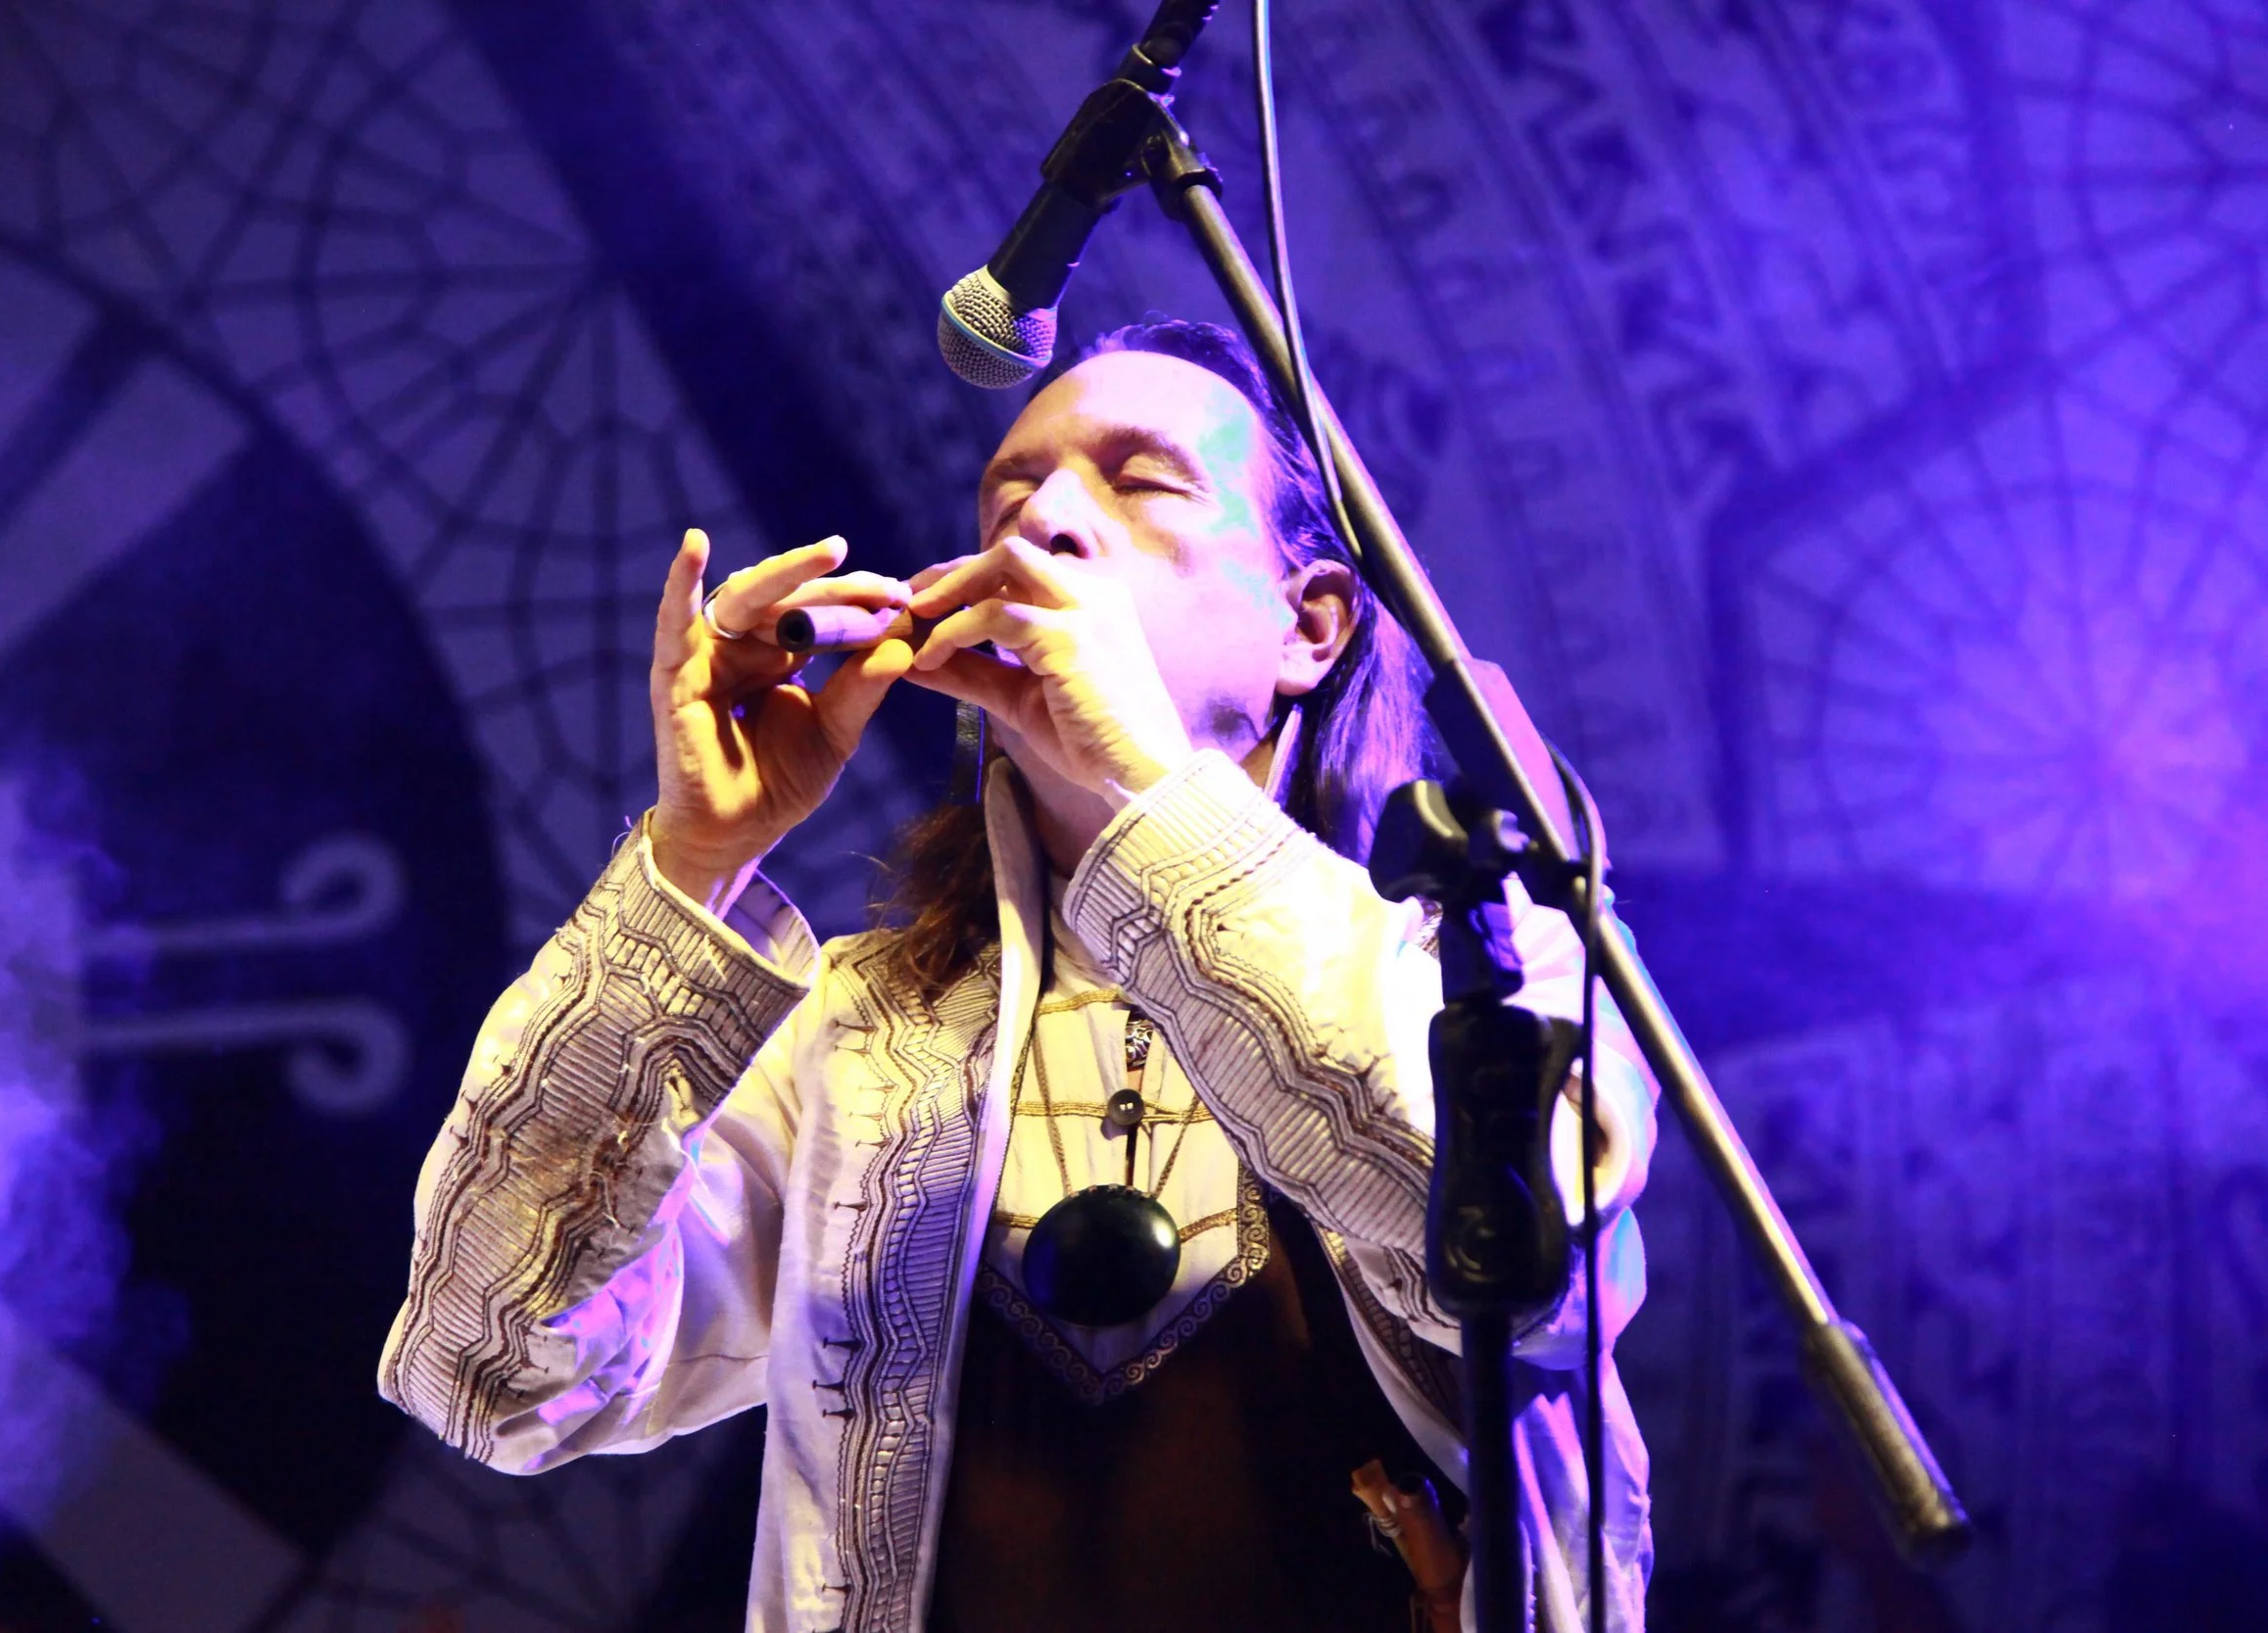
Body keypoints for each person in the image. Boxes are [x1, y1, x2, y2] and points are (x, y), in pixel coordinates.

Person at [380, 319, 1656, 1632]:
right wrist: (694, 864)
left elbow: (1540, 1278)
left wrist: (1146, 785)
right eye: (1008, 498)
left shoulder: (1490, 964)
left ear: (1309, 626)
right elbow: (489, 1373)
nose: (1042, 519)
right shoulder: (859, 1033)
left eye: (1140, 481)